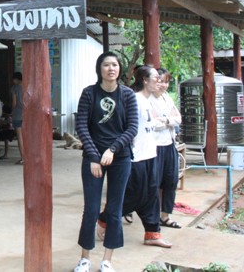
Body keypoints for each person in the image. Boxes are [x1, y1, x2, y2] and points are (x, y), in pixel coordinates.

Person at [74, 52, 139, 272]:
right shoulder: (89, 93)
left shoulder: (127, 94)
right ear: (99, 69)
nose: (111, 68)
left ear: (119, 69)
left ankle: (107, 260)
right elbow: (82, 126)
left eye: (114, 65)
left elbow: (132, 128)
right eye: (106, 65)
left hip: (120, 158)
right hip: (93, 159)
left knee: (114, 209)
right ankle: (84, 259)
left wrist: (112, 149)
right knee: (91, 210)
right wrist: (94, 157)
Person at [98, 65, 172, 251]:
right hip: (134, 157)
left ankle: (152, 233)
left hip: (150, 154)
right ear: (145, 81)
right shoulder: (134, 100)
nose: (159, 82)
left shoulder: (148, 101)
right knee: (132, 196)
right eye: (156, 78)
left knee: (152, 195)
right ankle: (104, 219)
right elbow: (124, 127)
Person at [151, 67, 183, 229]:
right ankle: (152, 216)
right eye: (160, 81)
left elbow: (178, 119)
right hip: (154, 146)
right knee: (154, 183)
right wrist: (169, 121)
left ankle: (165, 216)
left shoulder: (167, 98)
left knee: (171, 181)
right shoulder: (147, 99)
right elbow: (152, 124)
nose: (163, 85)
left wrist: (165, 120)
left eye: (166, 82)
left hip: (169, 144)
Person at [10, 72, 24, 165]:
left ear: (16, 79)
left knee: (20, 137)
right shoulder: (27, 87)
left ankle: (23, 158)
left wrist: (11, 112)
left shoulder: (14, 88)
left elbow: (14, 103)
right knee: (27, 137)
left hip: (18, 114)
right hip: (27, 115)